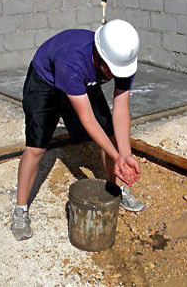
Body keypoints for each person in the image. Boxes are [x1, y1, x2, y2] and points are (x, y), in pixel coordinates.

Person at [11, 19, 144, 241]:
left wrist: (125, 155)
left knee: (110, 133)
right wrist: (115, 155)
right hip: (46, 82)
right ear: (99, 57)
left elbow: (121, 111)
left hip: (81, 82)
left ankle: (117, 189)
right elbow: (87, 118)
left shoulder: (123, 59)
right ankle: (20, 210)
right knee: (36, 147)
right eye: (111, 71)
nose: (116, 75)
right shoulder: (72, 60)